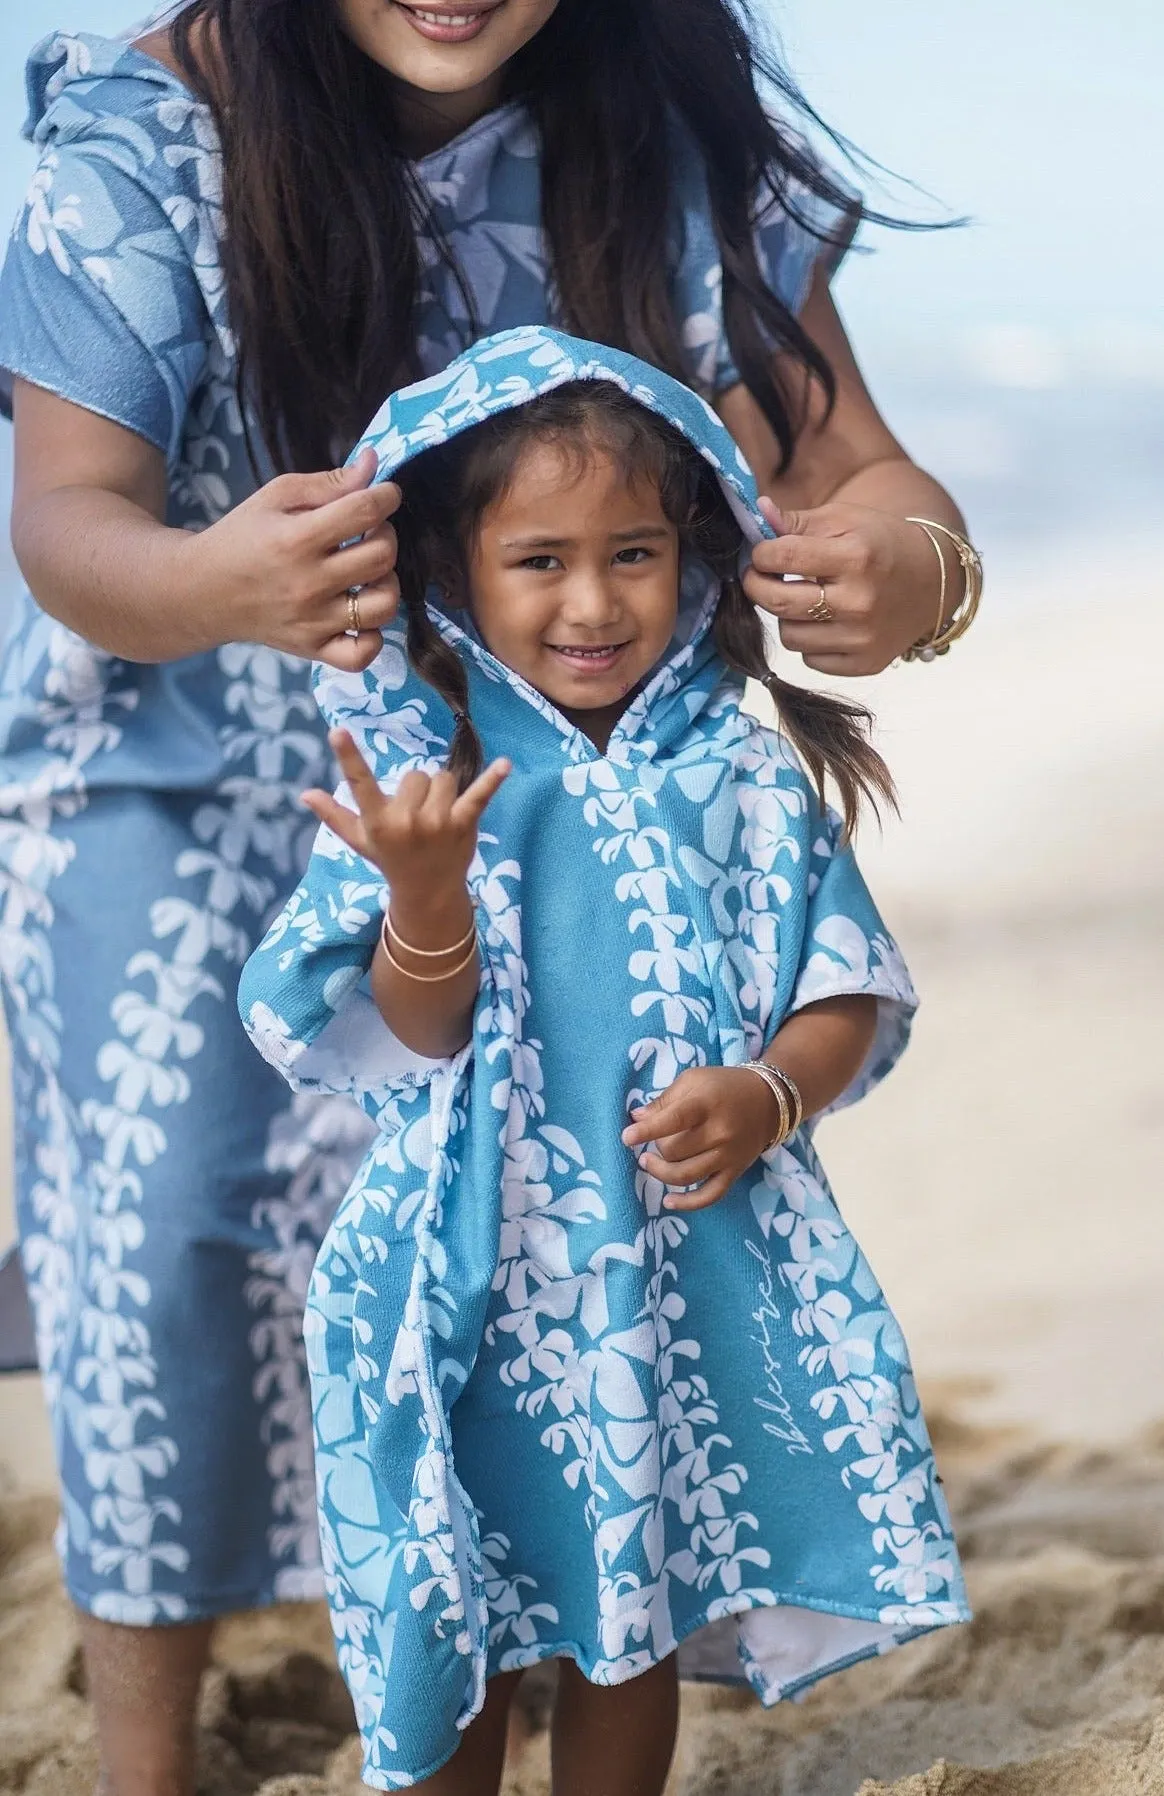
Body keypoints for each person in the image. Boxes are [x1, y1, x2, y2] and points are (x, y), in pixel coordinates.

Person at [0, 2, 976, 1790]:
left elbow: (863, 468)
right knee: (168, 1247)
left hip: (541, 755)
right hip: (172, 737)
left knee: (547, 1266)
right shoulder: (150, 134)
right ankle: (141, 1749)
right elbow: (70, 527)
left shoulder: (657, 119)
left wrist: (913, 565)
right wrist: (221, 579)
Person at [238, 325, 971, 1796]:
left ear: (696, 552)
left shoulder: (742, 771)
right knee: (462, 1600)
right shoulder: (423, 770)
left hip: (671, 1276)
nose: (592, 601)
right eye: (540, 561)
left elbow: (841, 984)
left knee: (630, 1609)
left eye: (632, 553)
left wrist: (769, 1095)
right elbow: (401, 1034)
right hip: (468, 1275)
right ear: (451, 569)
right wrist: (426, 899)